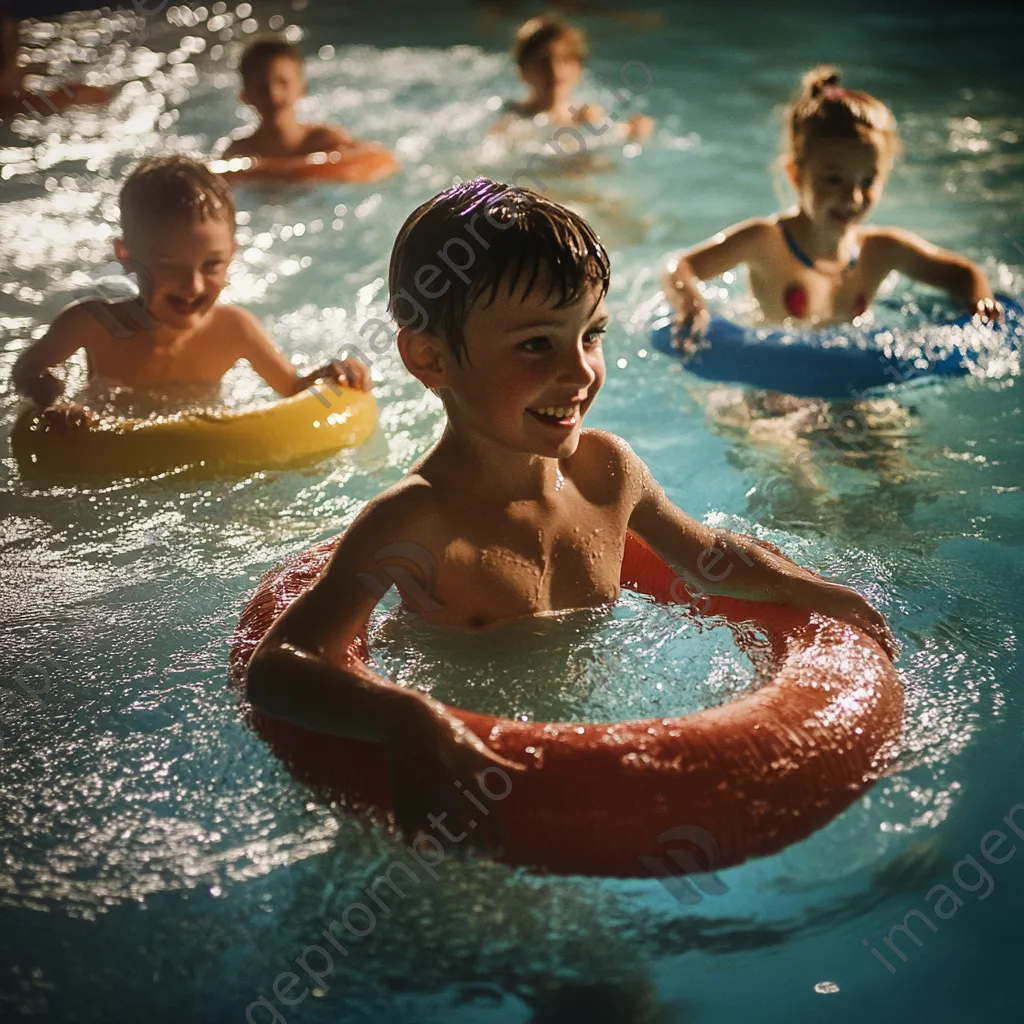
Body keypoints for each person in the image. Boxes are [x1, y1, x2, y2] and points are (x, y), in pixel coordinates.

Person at [245, 177, 898, 845]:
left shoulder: (605, 474)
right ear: (429, 357)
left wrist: (802, 587)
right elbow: (281, 666)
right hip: (458, 792)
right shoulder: (417, 520)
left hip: (584, 771)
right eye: (537, 345)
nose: (580, 371)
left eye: (591, 334)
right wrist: (407, 720)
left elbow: (706, 559)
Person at [11, 155, 371, 427]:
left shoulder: (235, 330)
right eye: (168, 266)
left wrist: (330, 375)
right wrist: (50, 399)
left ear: (232, 254)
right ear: (126, 256)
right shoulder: (92, 324)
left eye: (212, 265)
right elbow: (26, 369)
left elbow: (293, 388)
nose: (193, 286)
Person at [662, 65, 1001, 341]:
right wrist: (692, 306)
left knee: (894, 423)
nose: (852, 197)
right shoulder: (765, 241)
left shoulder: (881, 250)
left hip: (847, 377)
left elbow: (962, 273)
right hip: (778, 379)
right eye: (834, 180)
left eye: (867, 182)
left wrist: (980, 300)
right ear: (796, 175)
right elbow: (679, 268)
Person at [219, 35, 393, 163]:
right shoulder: (239, 151)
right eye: (262, 87)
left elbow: (383, 160)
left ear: (302, 89)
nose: (273, 94)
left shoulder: (325, 141)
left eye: (283, 83)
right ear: (245, 96)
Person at [496, 13, 653, 142]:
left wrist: (632, 133)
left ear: (579, 68)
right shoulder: (511, 113)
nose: (555, 71)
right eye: (544, 62)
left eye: (565, 60)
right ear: (523, 71)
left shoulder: (585, 115)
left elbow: (609, 140)